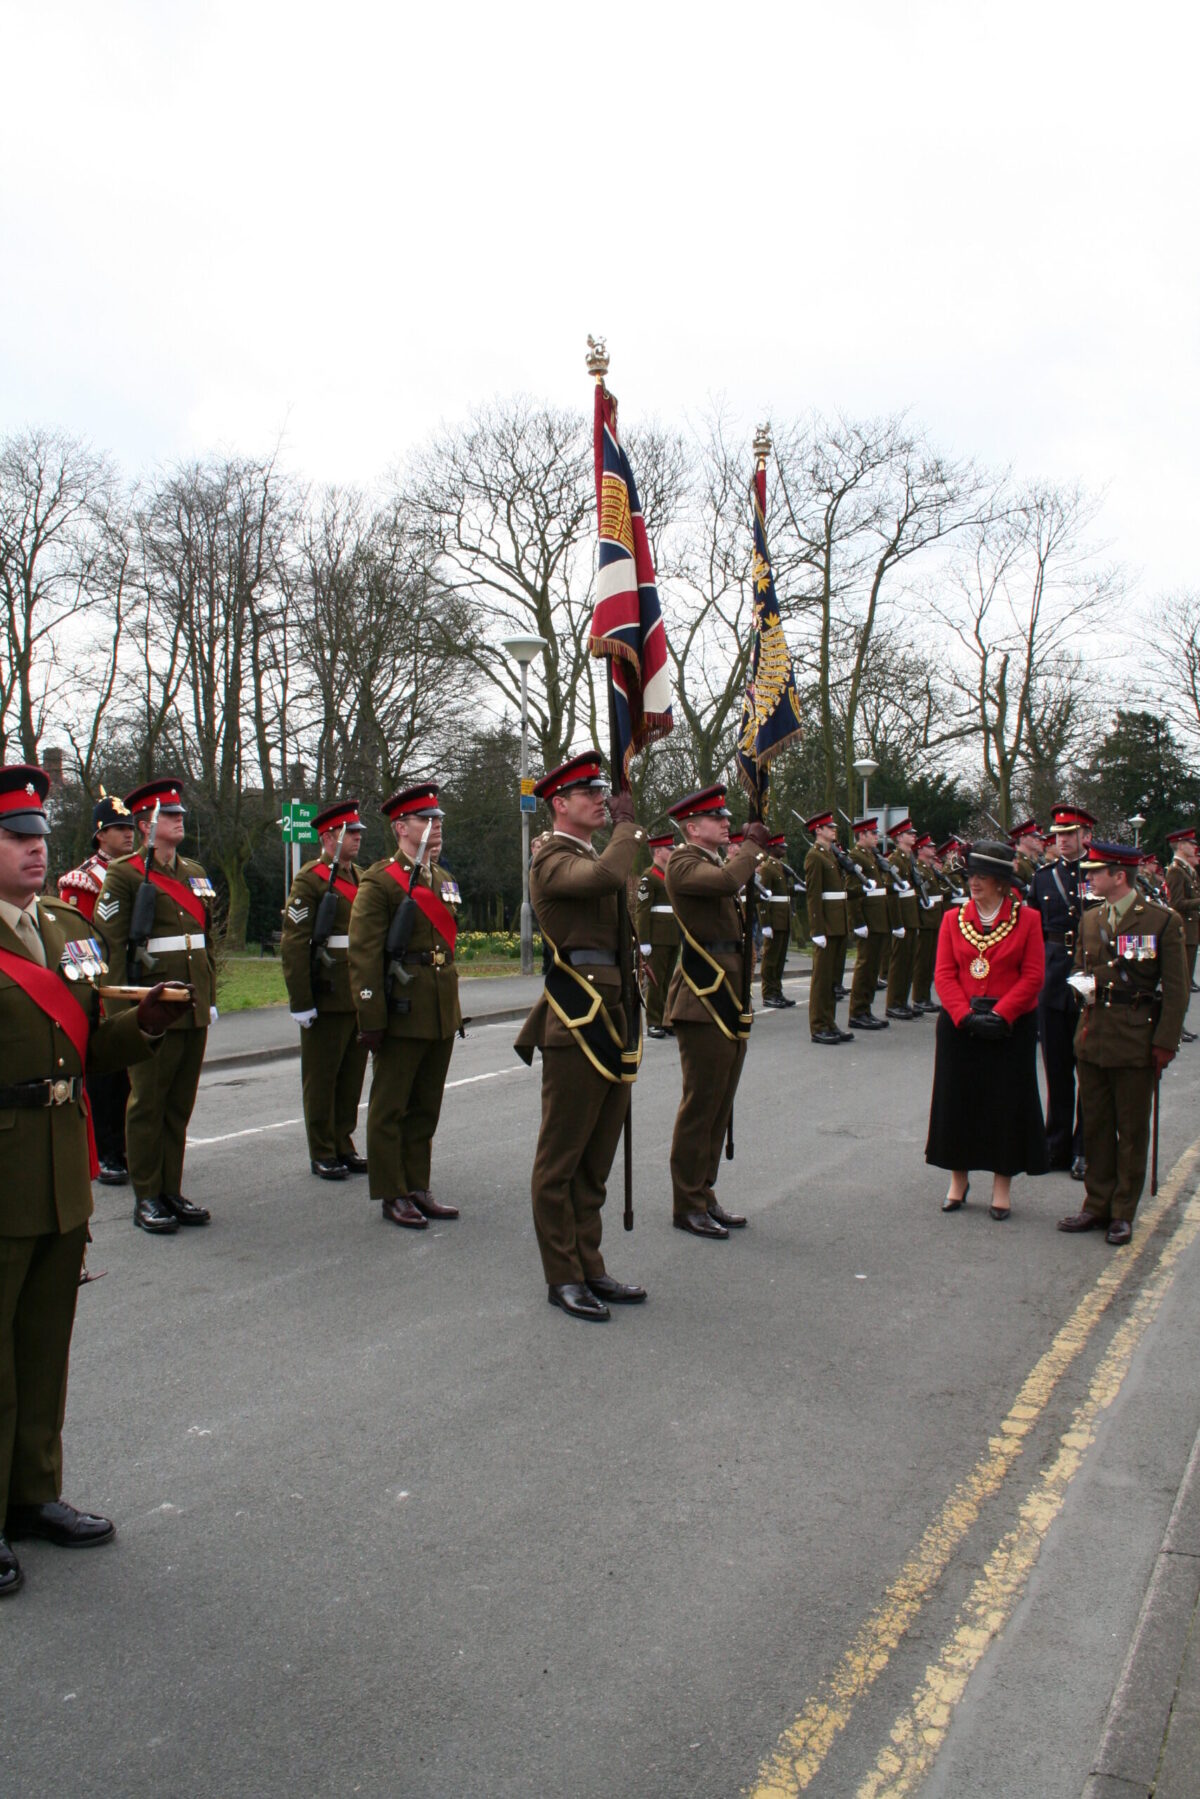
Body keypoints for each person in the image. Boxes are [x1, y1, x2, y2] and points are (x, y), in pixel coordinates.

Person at [0, 765, 191, 1599]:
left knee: (44, 1347)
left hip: (57, 1173)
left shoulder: (66, 926)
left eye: (40, 835)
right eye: (16, 838)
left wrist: (140, 1023)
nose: (36, 849)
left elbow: (83, 1046)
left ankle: (33, 1495)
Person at [514, 753, 646, 1319]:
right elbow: (605, 878)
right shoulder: (551, 859)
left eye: (602, 789)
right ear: (558, 805)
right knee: (560, 1160)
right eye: (585, 792)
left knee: (596, 1159)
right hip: (576, 1021)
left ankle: (591, 1265)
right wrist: (627, 827)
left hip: (614, 1015)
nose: (599, 797)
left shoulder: (595, 854)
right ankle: (562, 1275)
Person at [94, 778, 217, 1234]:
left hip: (191, 1005)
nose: (179, 819)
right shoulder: (125, 875)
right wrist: (122, 1020)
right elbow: (109, 949)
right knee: (148, 1103)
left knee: (178, 1106)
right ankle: (147, 1195)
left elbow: (206, 944)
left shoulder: (194, 872)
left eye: (181, 814)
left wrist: (210, 998)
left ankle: (171, 1188)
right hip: (153, 1007)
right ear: (146, 824)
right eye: (169, 814)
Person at [1058, 842, 1188, 1246]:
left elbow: (1178, 988)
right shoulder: (1090, 918)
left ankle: (1122, 1211)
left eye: (1096, 872)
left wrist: (1165, 1042)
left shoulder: (1161, 921)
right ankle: (1096, 1204)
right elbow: (1081, 969)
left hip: (1135, 1035)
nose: (1088, 878)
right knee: (1096, 1126)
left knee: (1130, 1129)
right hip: (1093, 1033)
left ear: (1119, 876)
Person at [350, 783, 463, 1231]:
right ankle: (391, 1191)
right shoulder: (380, 880)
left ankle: (418, 1185)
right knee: (390, 1106)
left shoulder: (443, 879)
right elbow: (363, 955)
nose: (436, 828)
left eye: (438, 820)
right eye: (426, 820)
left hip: (437, 1009)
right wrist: (371, 1018)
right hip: (401, 1008)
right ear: (401, 827)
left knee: (426, 1106)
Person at [662, 785, 770, 1236]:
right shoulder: (686, 863)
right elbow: (729, 883)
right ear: (692, 828)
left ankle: (704, 1192)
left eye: (726, 816)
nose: (727, 823)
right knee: (701, 1104)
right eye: (716, 818)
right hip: (702, 997)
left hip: (727, 991)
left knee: (720, 1102)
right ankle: (687, 1201)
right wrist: (752, 846)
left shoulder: (713, 861)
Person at [926, 839, 1047, 1219]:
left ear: (1001, 882)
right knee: (958, 1102)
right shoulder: (952, 919)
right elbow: (944, 974)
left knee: (1005, 1105)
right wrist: (964, 1016)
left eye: (981, 877)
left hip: (1010, 1027)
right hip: (961, 1026)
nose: (973, 883)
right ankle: (958, 1181)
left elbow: (1033, 976)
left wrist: (1002, 1015)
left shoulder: (1027, 920)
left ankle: (1001, 1186)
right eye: (971, 876)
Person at [281, 798, 370, 1179]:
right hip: (327, 992)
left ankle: (343, 1142)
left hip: (355, 992)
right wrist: (302, 1001)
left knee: (350, 1078)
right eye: (350, 833)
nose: (357, 839)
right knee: (322, 1078)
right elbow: (295, 943)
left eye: (359, 833)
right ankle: (322, 1148)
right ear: (329, 837)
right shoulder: (310, 879)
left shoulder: (361, 878)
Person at [57, 793, 137, 1185]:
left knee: (131, 1072)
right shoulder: (84, 880)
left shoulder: (140, 872)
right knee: (106, 1075)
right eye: (119, 829)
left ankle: (129, 1144)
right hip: (100, 983)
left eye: (130, 828)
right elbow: (79, 940)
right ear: (100, 835)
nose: (128, 835)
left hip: (133, 979)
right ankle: (107, 1150)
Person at [1030, 803, 1095, 1179]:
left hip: (1088, 975)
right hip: (1053, 978)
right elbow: (1033, 931)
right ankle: (1056, 1143)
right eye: (1058, 835)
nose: (1063, 841)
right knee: (1056, 1066)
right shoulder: (1043, 877)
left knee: (1088, 1065)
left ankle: (1085, 1144)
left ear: (1086, 836)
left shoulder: (1100, 874)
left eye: (1070, 834)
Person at [804, 811, 853, 1045]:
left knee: (833, 978)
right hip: (827, 926)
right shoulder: (814, 856)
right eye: (829, 827)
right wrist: (817, 930)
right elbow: (813, 896)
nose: (834, 830)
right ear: (818, 831)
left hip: (838, 924)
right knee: (821, 979)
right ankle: (818, 1025)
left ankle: (830, 1022)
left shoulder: (832, 855)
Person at [846, 816, 891, 1030]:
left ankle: (866, 1009)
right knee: (865, 967)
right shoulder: (855, 856)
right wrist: (858, 922)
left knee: (873, 968)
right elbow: (852, 893)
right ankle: (857, 1012)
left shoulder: (871, 856)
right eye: (873, 833)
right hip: (868, 921)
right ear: (861, 835)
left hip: (879, 919)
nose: (876, 837)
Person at [634, 830, 680, 1037]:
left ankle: (666, 1018)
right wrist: (644, 941)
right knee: (655, 982)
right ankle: (653, 1021)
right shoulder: (649, 877)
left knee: (668, 980)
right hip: (657, 937)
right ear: (658, 851)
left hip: (672, 935)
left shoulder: (670, 875)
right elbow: (642, 911)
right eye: (669, 849)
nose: (672, 852)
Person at [1164, 827, 1199, 1042]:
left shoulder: (1186, 869)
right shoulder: (1176, 870)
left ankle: (1180, 1024)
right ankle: (1175, 1026)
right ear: (1180, 845)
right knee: (1181, 983)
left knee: (1185, 983)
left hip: (1191, 932)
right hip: (1183, 932)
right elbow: (1176, 903)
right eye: (1190, 843)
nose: (1194, 847)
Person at [886, 819, 922, 1020]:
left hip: (911, 916)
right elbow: (892, 895)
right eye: (909, 833)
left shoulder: (909, 859)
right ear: (899, 837)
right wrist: (896, 923)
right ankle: (893, 1003)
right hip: (902, 918)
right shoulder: (895, 860)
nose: (913, 836)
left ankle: (902, 1000)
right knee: (899, 962)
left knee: (909, 961)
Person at [757, 832, 795, 1008]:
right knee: (771, 959)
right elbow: (763, 898)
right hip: (773, 920)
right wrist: (765, 923)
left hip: (783, 919)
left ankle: (777, 991)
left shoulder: (780, 867)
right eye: (781, 847)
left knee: (779, 959)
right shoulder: (767, 868)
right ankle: (768, 993)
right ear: (772, 848)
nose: (784, 849)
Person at [911, 833, 945, 1013]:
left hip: (934, 920)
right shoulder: (919, 869)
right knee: (922, 962)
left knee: (930, 962)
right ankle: (919, 997)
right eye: (929, 847)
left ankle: (925, 997)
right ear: (921, 850)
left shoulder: (929, 869)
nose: (933, 849)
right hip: (925, 921)